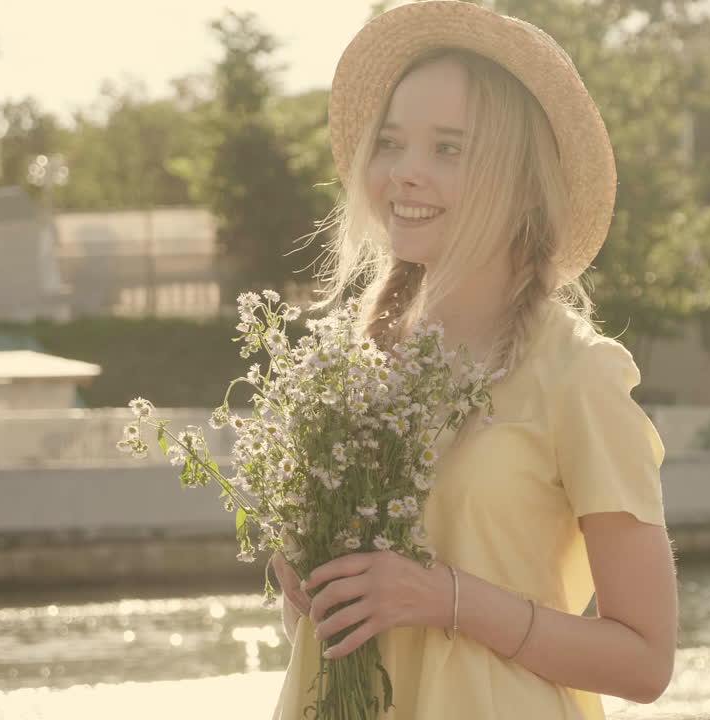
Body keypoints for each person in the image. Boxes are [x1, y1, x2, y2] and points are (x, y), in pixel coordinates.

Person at [269, 2, 677, 718]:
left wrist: (445, 600)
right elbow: (335, 631)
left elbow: (645, 661)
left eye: (448, 149)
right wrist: (305, 587)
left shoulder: (579, 375)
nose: (404, 173)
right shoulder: (350, 366)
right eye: (391, 143)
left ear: (519, 179)